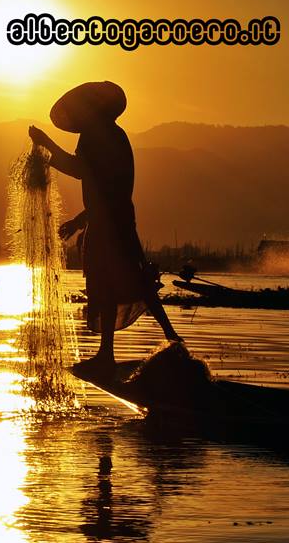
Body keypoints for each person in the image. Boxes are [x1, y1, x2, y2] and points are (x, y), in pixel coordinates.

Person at [28, 81, 181, 380]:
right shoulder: (116, 135)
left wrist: (47, 143)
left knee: (109, 284)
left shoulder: (96, 136)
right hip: (117, 219)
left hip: (109, 224)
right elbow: (107, 188)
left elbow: (80, 170)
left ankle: (113, 354)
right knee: (129, 280)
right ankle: (166, 339)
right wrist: (80, 221)